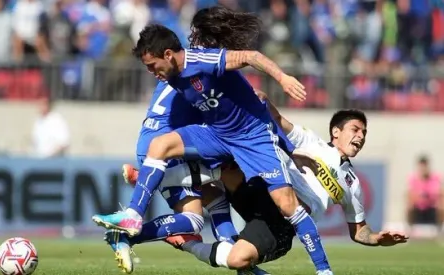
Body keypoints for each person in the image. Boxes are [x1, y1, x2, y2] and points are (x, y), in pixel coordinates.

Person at [92, 19, 332, 273]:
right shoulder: (172, 75)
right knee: (160, 145)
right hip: (218, 135)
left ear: (168, 54)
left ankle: (323, 269)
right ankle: (134, 214)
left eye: (153, 65)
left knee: (286, 204)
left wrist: (283, 79)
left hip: (252, 138)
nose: (152, 72)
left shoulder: (201, 61)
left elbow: (251, 56)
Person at [118, 107, 409, 274]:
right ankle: (156, 176)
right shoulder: (309, 141)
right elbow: (277, 117)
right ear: (336, 132)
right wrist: (259, 101)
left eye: (364, 134)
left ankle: (188, 242)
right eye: (355, 130)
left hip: (281, 223)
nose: (360, 137)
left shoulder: (352, 184)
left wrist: (378, 238)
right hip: (267, 191)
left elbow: (359, 231)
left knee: (237, 260)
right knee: (230, 160)